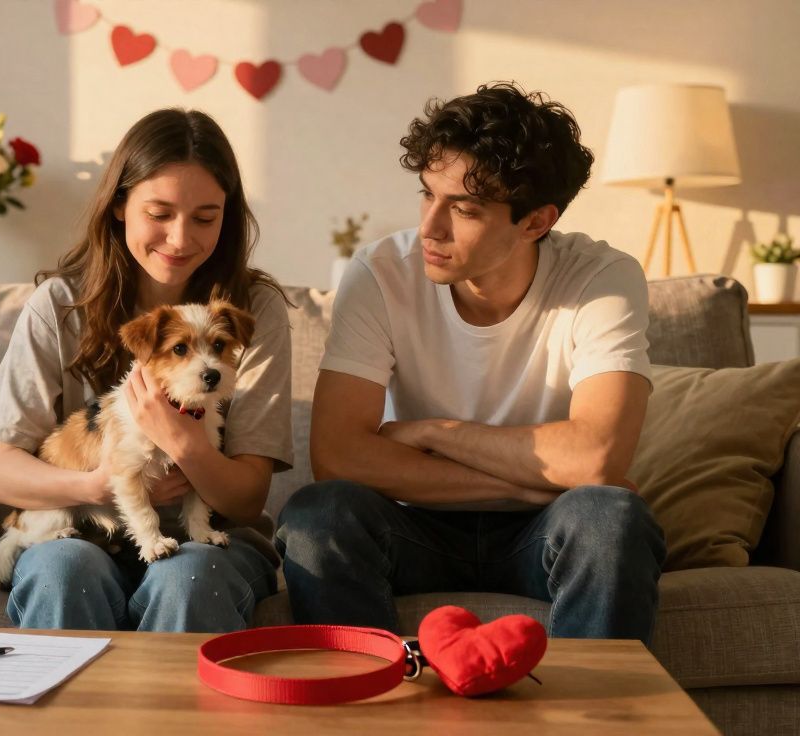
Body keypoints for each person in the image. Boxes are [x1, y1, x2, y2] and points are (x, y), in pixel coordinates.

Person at [276, 83, 666, 644]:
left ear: (535, 222)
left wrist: (437, 431)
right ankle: (361, 719)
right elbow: (337, 455)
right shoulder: (382, 271)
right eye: (427, 195)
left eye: (463, 209)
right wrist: (533, 483)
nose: (431, 227)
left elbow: (595, 456)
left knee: (609, 520)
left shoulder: (601, 278)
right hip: (415, 525)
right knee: (318, 516)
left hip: (547, 529)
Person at [0, 108, 293, 632]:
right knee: (61, 570)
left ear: (227, 217)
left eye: (206, 217)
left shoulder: (254, 310)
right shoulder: (60, 305)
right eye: (159, 213)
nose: (181, 237)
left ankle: (176, 716)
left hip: (211, 539)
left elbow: (247, 496)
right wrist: (97, 486)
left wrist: (181, 440)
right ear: (119, 205)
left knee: (187, 579)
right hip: (85, 530)